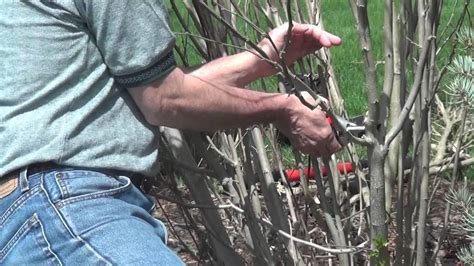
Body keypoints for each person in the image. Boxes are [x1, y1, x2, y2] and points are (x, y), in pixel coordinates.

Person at [0, 1, 341, 264]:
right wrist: (283, 108)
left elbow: (153, 87)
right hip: (68, 204)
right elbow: (164, 99)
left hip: (38, 210)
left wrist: (261, 60)